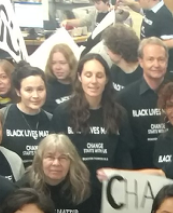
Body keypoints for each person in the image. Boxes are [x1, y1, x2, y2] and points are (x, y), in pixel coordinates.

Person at [52, 54, 134, 185]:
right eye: (88, 75)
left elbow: (125, 158)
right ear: (80, 77)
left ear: (106, 79)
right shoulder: (62, 113)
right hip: (73, 188)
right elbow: (56, 154)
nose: (94, 81)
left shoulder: (119, 114)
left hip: (108, 189)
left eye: (99, 76)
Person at [18, 134, 100, 213]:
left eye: (63, 158)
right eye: (50, 157)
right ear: (40, 160)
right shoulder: (24, 188)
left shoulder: (84, 189)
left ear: (71, 161)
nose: (56, 163)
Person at [118, 38, 170, 169]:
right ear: (141, 61)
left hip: (172, 170)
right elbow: (123, 144)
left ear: (167, 62)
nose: (156, 64)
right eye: (150, 59)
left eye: (161, 59)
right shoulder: (124, 97)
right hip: (138, 171)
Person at [1, 61, 53, 168]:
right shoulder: (2, 116)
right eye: (29, 90)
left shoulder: (52, 119)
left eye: (40, 89)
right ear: (18, 91)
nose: (36, 95)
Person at [103, 24, 142, 92]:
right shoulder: (114, 70)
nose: (107, 52)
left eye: (109, 49)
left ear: (120, 52)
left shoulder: (143, 75)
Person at [43, 44, 77, 113]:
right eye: (53, 63)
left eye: (62, 63)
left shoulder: (80, 84)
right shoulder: (46, 88)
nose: (57, 67)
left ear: (71, 63)